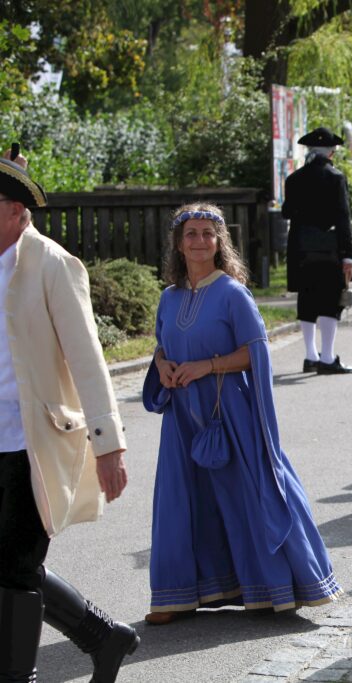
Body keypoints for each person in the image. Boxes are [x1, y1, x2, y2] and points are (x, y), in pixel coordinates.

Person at [142, 203, 341, 625]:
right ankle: (177, 595)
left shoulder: (232, 293)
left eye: (207, 234)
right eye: (191, 233)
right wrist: (162, 365)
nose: (199, 241)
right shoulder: (169, 297)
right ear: (178, 243)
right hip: (181, 417)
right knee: (182, 501)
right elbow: (162, 343)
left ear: (219, 242)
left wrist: (207, 366)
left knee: (247, 496)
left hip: (229, 412)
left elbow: (256, 353)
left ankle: (273, 587)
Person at [0, 150, 138, 682]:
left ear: (16, 210)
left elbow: (87, 358)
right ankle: (103, 636)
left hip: (33, 443)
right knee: (11, 563)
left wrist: (109, 445)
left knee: (16, 568)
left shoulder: (51, 264)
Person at [284, 126, 352, 375]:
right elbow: (343, 217)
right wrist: (348, 254)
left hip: (300, 248)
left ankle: (310, 355)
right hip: (329, 249)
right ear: (330, 153)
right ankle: (327, 357)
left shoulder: (294, 179)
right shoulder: (335, 177)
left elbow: (286, 212)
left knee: (306, 300)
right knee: (329, 301)